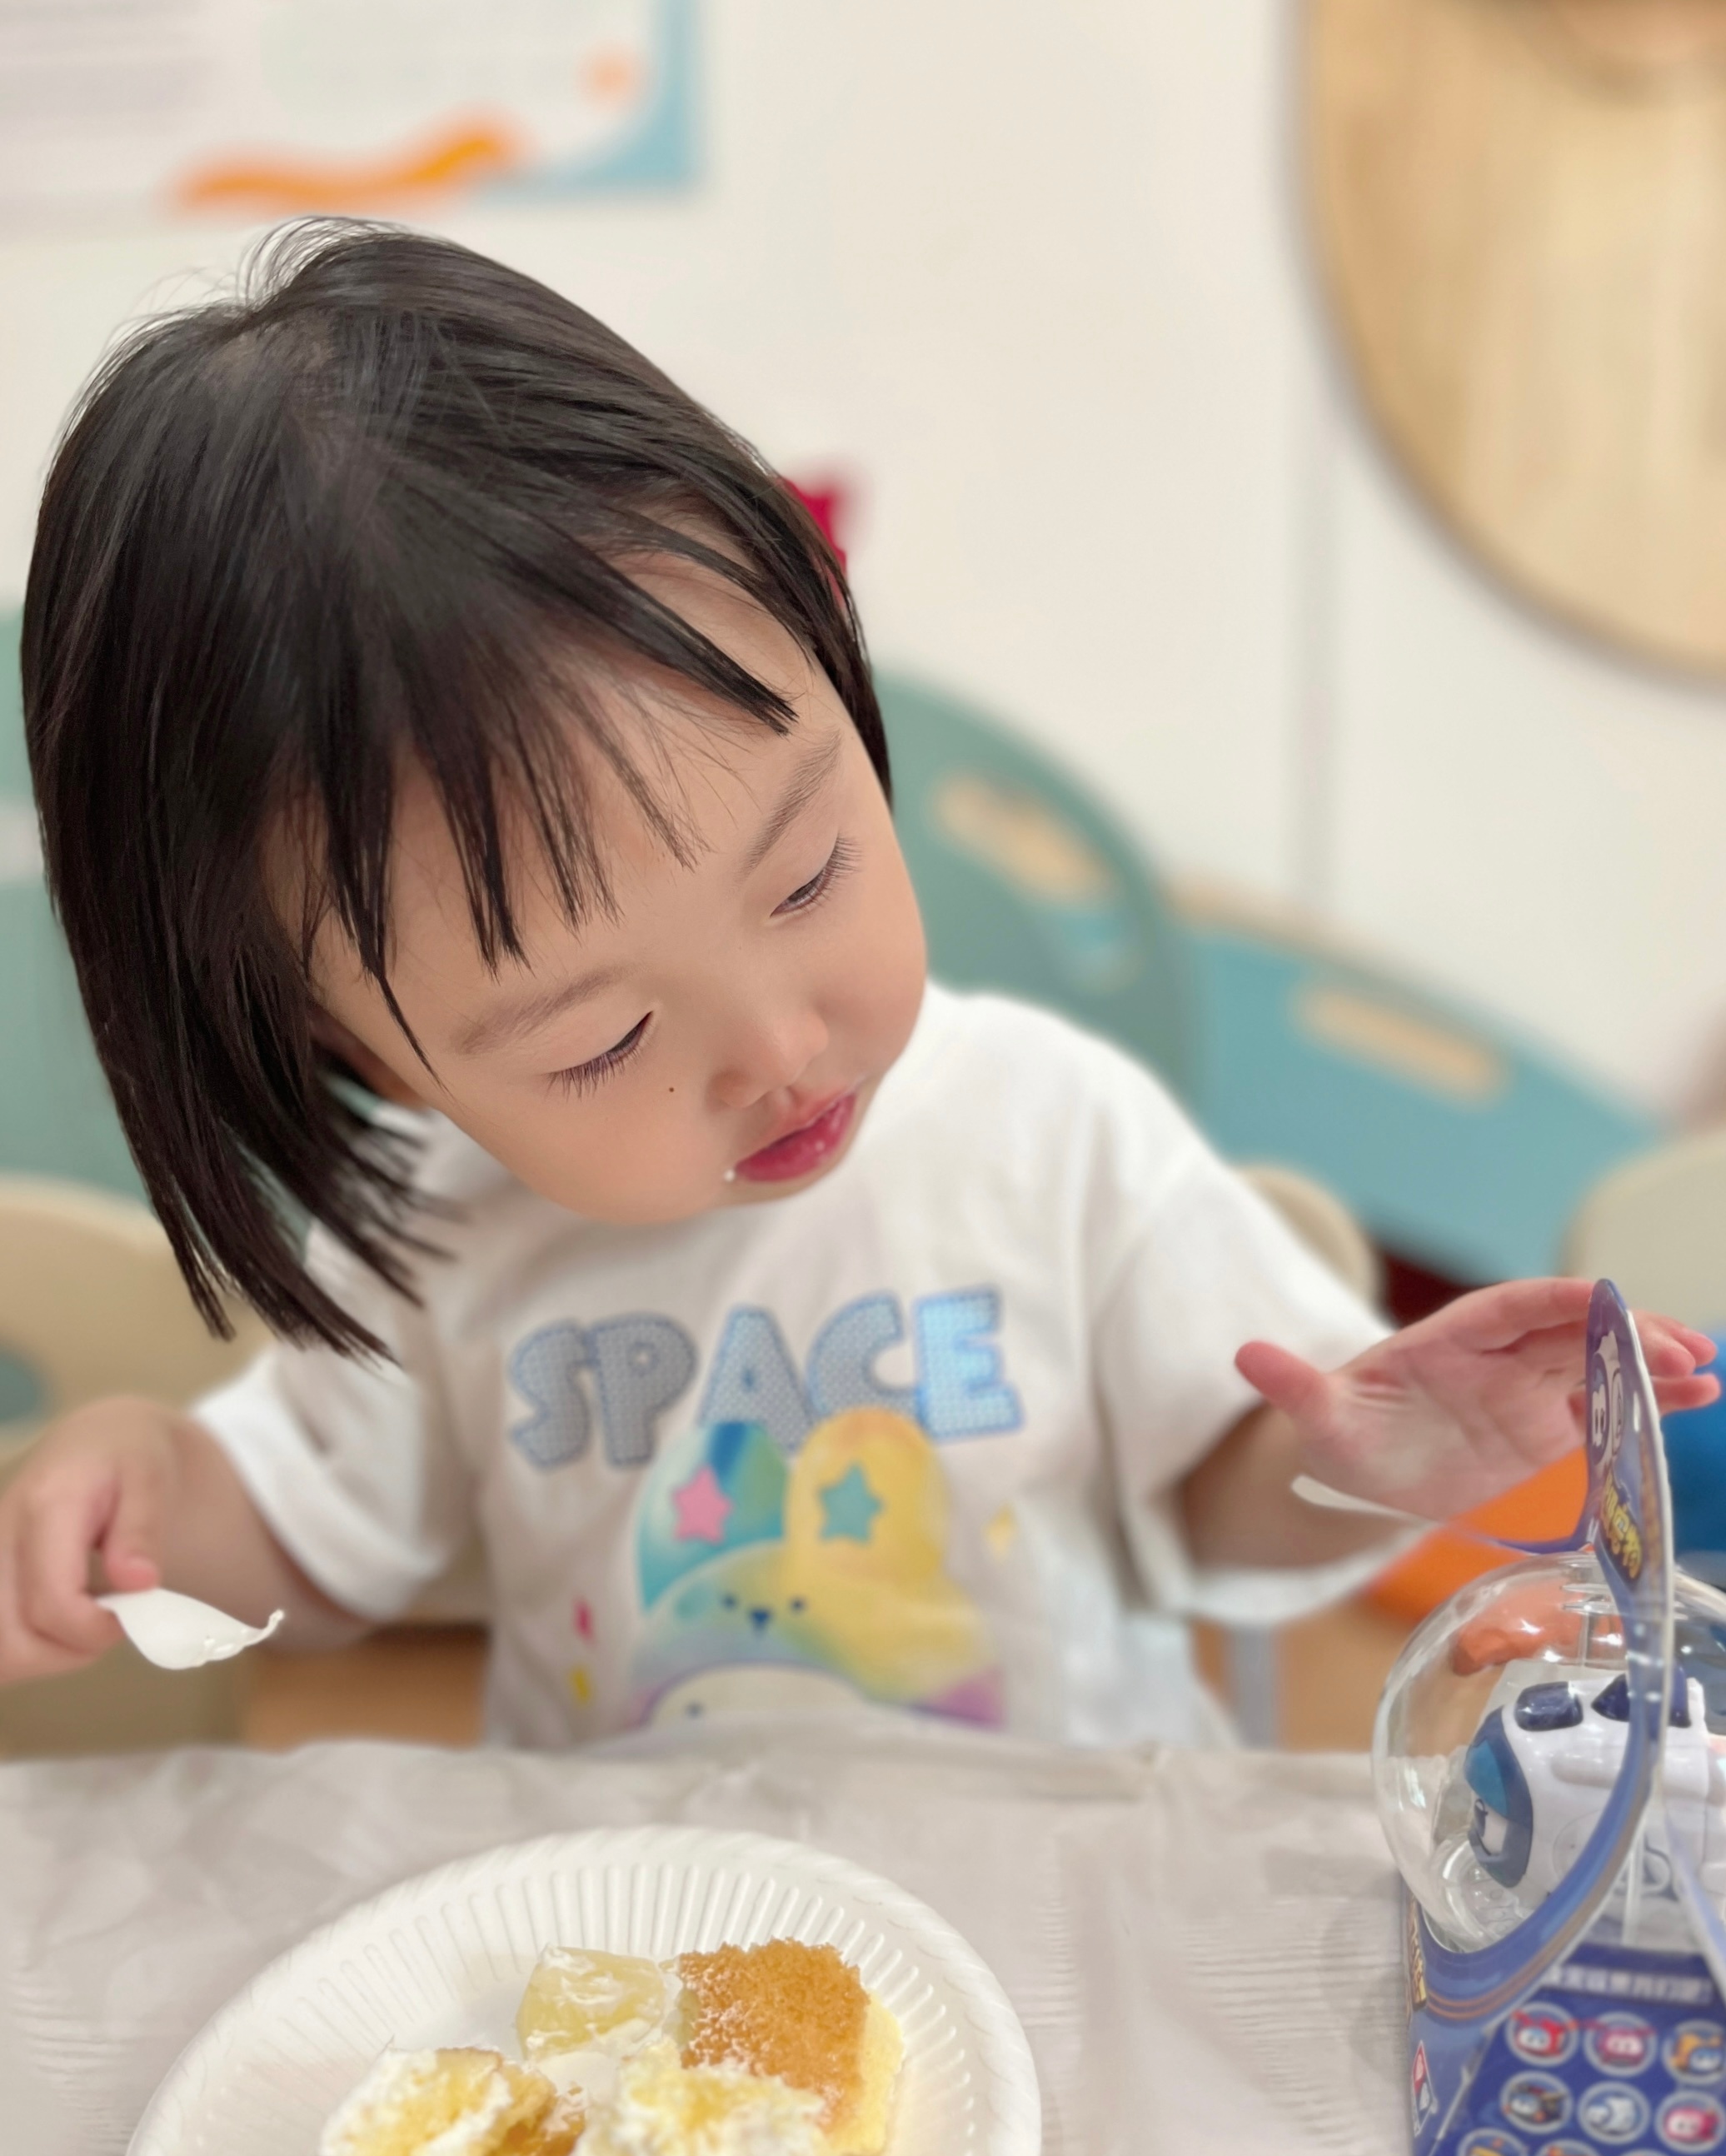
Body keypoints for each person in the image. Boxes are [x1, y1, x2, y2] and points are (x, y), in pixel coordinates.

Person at [1, 224, 1711, 1748]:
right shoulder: (444, 1238)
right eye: (600, 1040)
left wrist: (1377, 1464)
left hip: (1056, 1909)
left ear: (831, 663)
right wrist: (152, 1497)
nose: (777, 1043)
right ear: (348, 1048)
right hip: (650, 1969)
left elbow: (1223, 1505)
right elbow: (312, 1552)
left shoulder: (1054, 1141)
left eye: (808, 872)